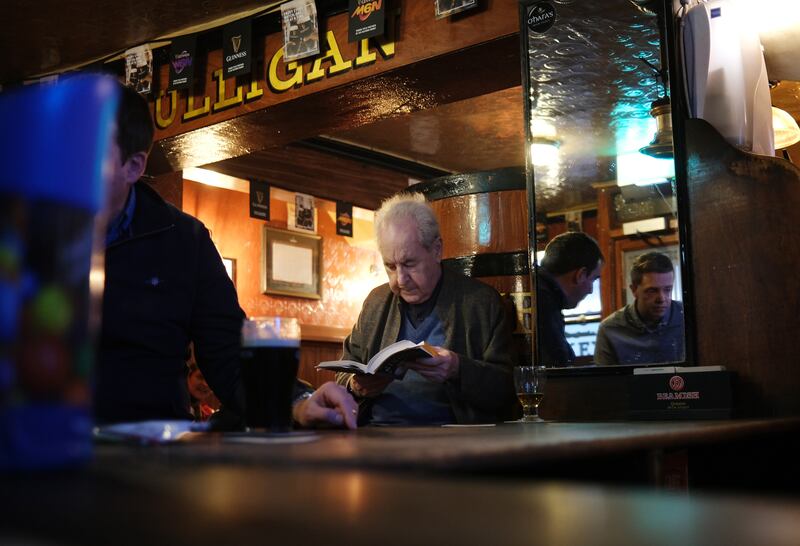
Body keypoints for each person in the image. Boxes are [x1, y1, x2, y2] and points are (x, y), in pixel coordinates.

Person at [94, 81, 356, 429]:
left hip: (151, 444)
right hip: (39, 440)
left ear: (133, 166)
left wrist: (297, 402)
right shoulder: (28, 229)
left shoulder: (184, 240)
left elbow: (228, 356)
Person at [334, 193, 515, 425]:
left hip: (453, 437)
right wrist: (355, 385)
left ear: (437, 250)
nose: (400, 280)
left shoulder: (480, 302)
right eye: (390, 266)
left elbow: (507, 390)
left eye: (409, 264)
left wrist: (458, 369)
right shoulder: (376, 302)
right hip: (374, 432)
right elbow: (344, 371)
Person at [594, 252, 684, 366]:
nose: (662, 299)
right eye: (652, 291)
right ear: (634, 290)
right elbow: (604, 377)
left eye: (667, 289)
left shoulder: (687, 317)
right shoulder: (610, 329)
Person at [536, 232, 604, 366]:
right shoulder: (544, 302)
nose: (591, 290)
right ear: (581, 275)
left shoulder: (539, 290)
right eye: (593, 279)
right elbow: (556, 366)